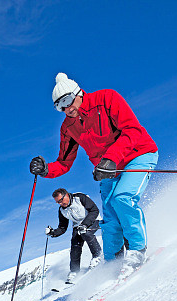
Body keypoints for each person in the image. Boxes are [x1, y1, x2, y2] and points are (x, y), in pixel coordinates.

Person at [29, 73, 158, 278]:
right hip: (107, 170)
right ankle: (113, 263)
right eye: (60, 106)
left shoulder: (106, 99)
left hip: (138, 154)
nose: (67, 108)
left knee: (122, 198)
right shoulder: (68, 128)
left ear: (78, 93)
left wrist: (112, 158)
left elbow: (132, 130)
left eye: (68, 100)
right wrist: (46, 170)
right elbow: (64, 163)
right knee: (110, 218)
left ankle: (137, 251)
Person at [46, 188, 102, 283]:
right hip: (78, 226)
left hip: (92, 220)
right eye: (57, 202)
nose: (60, 203)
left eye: (61, 200)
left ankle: (97, 256)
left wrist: (85, 224)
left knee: (85, 232)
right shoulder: (61, 210)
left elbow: (94, 210)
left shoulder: (79, 197)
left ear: (66, 195)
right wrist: (52, 232)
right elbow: (62, 228)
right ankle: (74, 271)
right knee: (75, 245)